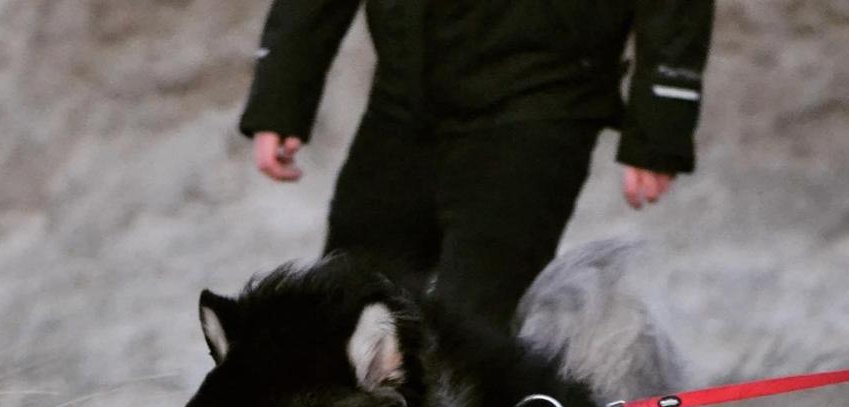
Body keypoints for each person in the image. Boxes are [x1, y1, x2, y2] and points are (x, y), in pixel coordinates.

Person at [238, 1, 715, 329]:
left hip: (541, 101)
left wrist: (659, 128)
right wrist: (281, 99)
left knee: (474, 322)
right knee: (346, 304)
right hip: (404, 103)